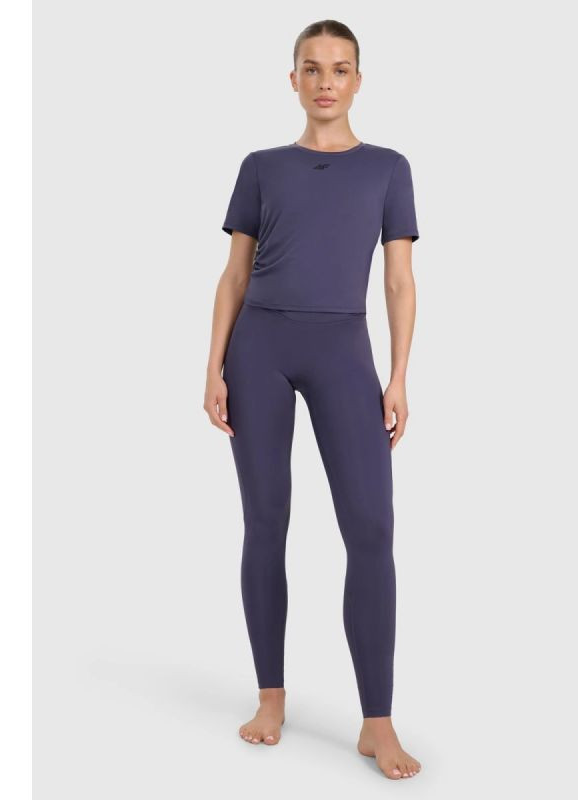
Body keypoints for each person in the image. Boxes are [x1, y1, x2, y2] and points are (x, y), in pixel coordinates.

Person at [203, 19, 422, 781]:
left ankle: (376, 722)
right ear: (292, 79)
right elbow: (235, 274)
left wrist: (398, 376)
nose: (326, 81)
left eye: (340, 68)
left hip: (343, 352)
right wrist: (214, 367)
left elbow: (399, 280)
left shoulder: (388, 169)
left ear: (358, 80)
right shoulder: (261, 167)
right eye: (312, 68)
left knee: (371, 529)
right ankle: (271, 698)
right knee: (266, 522)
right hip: (258, 350)